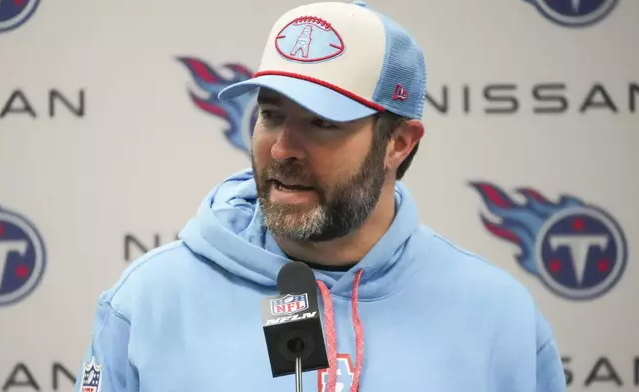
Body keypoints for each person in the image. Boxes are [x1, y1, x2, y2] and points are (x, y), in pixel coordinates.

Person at [74, 1, 567, 391]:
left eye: (322, 123)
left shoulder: (499, 317)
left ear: (399, 142)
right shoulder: (149, 302)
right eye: (271, 114)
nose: (284, 148)